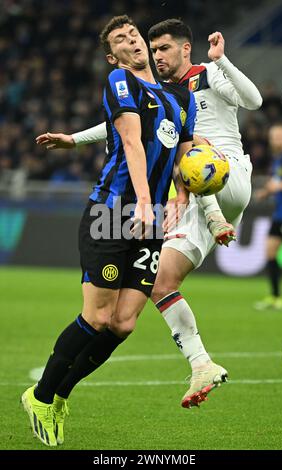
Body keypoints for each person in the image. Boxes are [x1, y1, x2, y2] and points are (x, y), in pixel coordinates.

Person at [37, 20, 263, 409]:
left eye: (162, 48)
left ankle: (43, 394)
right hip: (183, 195)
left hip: (222, 173)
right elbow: (126, 126)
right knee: (150, 294)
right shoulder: (153, 92)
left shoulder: (204, 76)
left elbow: (253, 101)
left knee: (192, 157)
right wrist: (74, 139)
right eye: (152, 48)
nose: (157, 55)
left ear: (185, 48)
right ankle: (201, 363)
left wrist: (222, 60)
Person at [21, 15, 197, 447]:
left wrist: (184, 196)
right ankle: (40, 396)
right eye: (121, 39)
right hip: (113, 212)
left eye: (133, 34)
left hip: (150, 219)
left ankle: (60, 394)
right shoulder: (121, 81)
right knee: (97, 316)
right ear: (111, 55)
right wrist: (142, 200)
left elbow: (185, 156)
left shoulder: (179, 97)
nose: (132, 41)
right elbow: (132, 141)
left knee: (122, 324)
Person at [254, 124, 282, 310]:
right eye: (272, 136)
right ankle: (276, 297)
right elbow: (277, 182)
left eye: (279, 136)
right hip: (280, 215)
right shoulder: (278, 159)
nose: (275, 140)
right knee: (270, 252)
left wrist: (278, 187)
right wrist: (266, 192)